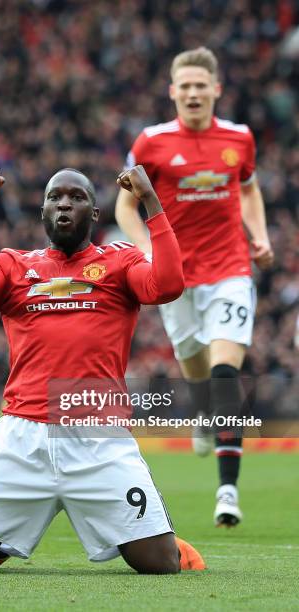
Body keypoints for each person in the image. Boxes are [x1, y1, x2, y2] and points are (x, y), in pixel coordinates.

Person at [0, 164, 196, 574]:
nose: (65, 204)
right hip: (23, 438)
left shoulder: (120, 261)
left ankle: (156, 530)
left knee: (161, 565)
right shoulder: (12, 266)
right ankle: (5, 533)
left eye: (77, 197)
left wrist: (150, 201)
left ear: (94, 214)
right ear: (42, 211)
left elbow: (168, 285)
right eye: (56, 197)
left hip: (98, 438)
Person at [115, 47, 274, 527]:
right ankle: (203, 413)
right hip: (176, 278)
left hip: (230, 270)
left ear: (216, 90)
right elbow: (124, 207)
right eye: (184, 85)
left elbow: (247, 188)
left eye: (200, 85)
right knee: (197, 373)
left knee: (226, 374)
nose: (192, 92)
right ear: (172, 92)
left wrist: (259, 234)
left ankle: (228, 491)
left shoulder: (239, 139)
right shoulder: (150, 143)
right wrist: (148, 250)